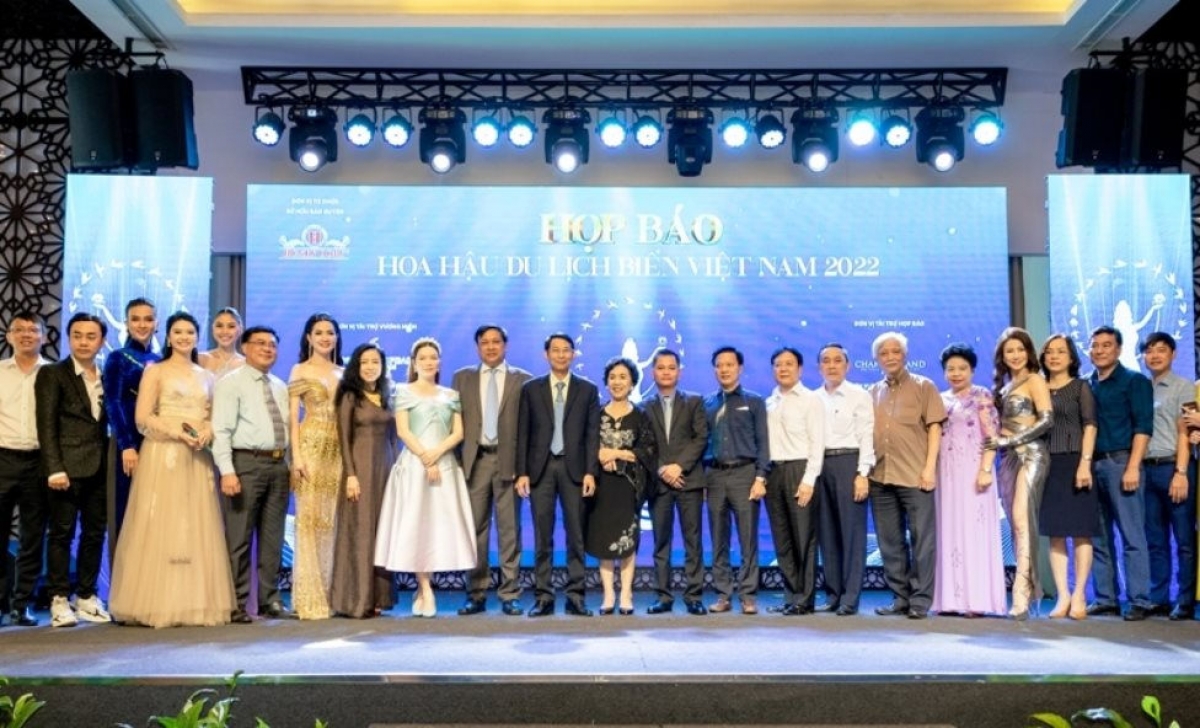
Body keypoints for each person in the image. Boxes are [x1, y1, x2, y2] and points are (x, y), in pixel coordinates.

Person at [108, 312, 235, 628]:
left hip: (197, 457)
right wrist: (178, 432)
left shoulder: (207, 376)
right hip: (163, 454)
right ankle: (156, 601)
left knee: (193, 525)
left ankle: (192, 600)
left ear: (197, 337)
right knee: (162, 522)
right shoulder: (155, 371)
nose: (184, 337)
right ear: (167, 337)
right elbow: (143, 418)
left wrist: (206, 431)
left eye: (190, 332)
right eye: (178, 332)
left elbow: (214, 416)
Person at [375, 337, 476, 618]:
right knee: (416, 526)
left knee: (436, 528)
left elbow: (458, 432)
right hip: (414, 466)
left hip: (445, 466)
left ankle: (424, 587)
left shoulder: (450, 395)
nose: (429, 362)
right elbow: (403, 431)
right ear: (414, 363)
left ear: (439, 362)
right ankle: (425, 587)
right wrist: (424, 456)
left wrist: (437, 454)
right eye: (423, 358)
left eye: (433, 357)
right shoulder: (403, 392)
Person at [212, 325, 296, 622]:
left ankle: (269, 600)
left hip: (278, 465)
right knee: (240, 537)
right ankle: (236, 603)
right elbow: (221, 430)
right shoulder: (230, 383)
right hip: (246, 463)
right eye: (260, 343)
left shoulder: (280, 386)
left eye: (272, 344)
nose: (267, 349)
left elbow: (287, 429)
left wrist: (290, 465)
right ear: (245, 347)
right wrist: (227, 471)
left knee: (274, 538)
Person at [35, 312, 112, 627]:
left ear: (102, 341)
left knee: (95, 533)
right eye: (77, 335)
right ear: (69, 339)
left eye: (91, 336)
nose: (83, 342)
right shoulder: (53, 373)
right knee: (61, 534)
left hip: (100, 467)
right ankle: (58, 598)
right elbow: (46, 424)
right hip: (65, 469)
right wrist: (54, 468)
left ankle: (86, 596)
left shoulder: (107, 374)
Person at [515, 333, 601, 617]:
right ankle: (543, 596)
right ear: (546, 354)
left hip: (574, 470)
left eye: (566, 350)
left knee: (576, 536)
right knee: (543, 536)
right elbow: (523, 433)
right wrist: (522, 472)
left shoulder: (587, 390)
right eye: (556, 350)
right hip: (540, 469)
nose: (561, 355)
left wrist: (590, 472)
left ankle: (576, 596)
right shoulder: (531, 389)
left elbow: (592, 435)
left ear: (573, 354)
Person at [451, 325, 531, 617]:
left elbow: (528, 430)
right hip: (476, 462)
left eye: (496, 342)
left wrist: (524, 468)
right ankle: (476, 593)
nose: (491, 347)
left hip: (509, 464)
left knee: (509, 530)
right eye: (484, 342)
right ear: (477, 347)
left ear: (505, 345)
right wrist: (458, 463)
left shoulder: (523, 379)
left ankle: (510, 593)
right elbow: (453, 422)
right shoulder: (462, 378)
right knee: (475, 530)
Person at [868, 331, 946, 620]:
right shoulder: (872, 392)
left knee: (922, 541)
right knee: (890, 543)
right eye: (883, 353)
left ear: (905, 355)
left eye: (895, 351)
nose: (890, 357)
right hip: (880, 478)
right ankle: (900, 598)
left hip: (915, 476)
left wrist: (929, 469)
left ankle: (920, 600)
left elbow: (935, 429)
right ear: (877, 359)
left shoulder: (924, 386)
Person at [1085, 325, 1155, 621]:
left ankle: (1139, 599)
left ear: (1119, 349)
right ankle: (1106, 598)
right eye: (1095, 345)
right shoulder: (1087, 384)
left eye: (1106, 345)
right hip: (1092, 466)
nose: (1100, 350)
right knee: (1099, 536)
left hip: (1122, 463)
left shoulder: (1134, 381)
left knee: (1132, 535)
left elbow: (1143, 427)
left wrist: (1133, 467)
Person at [931, 343, 1005, 617]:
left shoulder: (982, 396)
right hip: (946, 474)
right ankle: (950, 600)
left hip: (974, 472)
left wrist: (985, 469)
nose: (956, 373)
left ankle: (977, 600)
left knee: (974, 532)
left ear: (972, 370)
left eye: (962, 368)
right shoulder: (940, 399)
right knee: (948, 531)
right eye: (950, 369)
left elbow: (992, 437)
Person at [985, 326, 1052, 620]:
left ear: (1029, 352)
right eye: (1009, 350)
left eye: (1020, 349)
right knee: (1015, 524)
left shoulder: (1035, 379)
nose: (1015, 355)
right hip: (1007, 459)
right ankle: (1024, 589)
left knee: (1023, 521)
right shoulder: (1003, 387)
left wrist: (1010, 440)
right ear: (1002, 356)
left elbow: (1047, 420)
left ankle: (1022, 593)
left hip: (1031, 455)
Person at [330, 343, 397, 618]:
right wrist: (351, 475)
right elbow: (343, 438)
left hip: (385, 470)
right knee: (360, 531)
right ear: (356, 366)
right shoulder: (349, 396)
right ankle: (356, 600)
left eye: (375, 362)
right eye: (364, 362)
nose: (370, 367)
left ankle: (378, 597)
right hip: (360, 471)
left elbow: (393, 437)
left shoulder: (387, 394)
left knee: (382, 532)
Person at [586, 357, 656, 615]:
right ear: (606, 383)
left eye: (623, 377)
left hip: (628, 487)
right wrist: (599, 455)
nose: (617, 382)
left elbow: (648, 451)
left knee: (627, 541)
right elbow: (586, 447)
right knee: (603, 540)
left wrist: (616, 453)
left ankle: (626, 594)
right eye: (612, 377)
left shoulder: (641, 415)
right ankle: (608, 594)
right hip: (601, 487)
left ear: (632, 383)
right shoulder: (595, 415)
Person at [643, 348, 709, 616]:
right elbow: (644, 444)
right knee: (661, 542)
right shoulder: (644, 406)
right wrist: (662, 469)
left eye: (671, 368)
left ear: (679, 372)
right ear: (653, 372)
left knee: (693, 541)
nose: (666, 372)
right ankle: (663, 596)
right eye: (661, 368)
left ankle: (694, 596)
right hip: (659, 484)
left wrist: (679, 466)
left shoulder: (694, 401)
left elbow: (701, 438)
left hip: (688, 481)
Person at [704, 346, 770, 615]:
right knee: (718, 539)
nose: (724, 369)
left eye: (729, 364)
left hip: (745, 474)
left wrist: (761, 476)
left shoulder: (754, 401)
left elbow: (763, 443)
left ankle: (748, 595)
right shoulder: (707, 404)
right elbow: (701, 444)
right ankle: (723, 594)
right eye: (719, 365)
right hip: (714, 475)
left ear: (739, 368)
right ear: (714, 370)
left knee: (747, 538)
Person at [288, 312, 345, 620]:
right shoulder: (300, 369)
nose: (325, 337)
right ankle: (309, 598)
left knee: (332, 521)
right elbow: (292, 419)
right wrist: (296, 457)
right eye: (319, 332)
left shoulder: (343, 372)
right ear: (309, 337)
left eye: (330, 332)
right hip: (310, 446)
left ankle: (332, 594)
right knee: (309, 521)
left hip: (338, 450)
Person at [1039, 334, 1099, 621]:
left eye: (1060, 352)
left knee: (1081, 531)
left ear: (1072, 357)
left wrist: (1085, 464)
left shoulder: (1080, 387)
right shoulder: (1037, 387)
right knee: (1056, 533)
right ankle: (1063, 594)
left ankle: (1080, 594)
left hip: (1076, 462)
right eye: (1049, 352)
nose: (1054, 356)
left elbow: (1090, 426)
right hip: (1047, 465)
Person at [814, 343, 875, 616]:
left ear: (847, 366)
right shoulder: (813, 398)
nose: (832, 365)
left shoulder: (859, 395)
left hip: (849, 463)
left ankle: (850, 597)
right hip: (819, 466)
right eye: (826, 361)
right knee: (826, 534)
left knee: (852, 534)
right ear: (819, 367)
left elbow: (866, 435)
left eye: (837, 360)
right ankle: (833, 594)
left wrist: (863, 473)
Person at [763, 346, 824, 615]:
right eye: (778, 364)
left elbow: (818, 443)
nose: (783, 368)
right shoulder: (769, 402)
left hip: (800, 471)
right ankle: (791, 595)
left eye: (789, 364)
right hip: (773, 472)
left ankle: (805, 599)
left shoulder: (811, 400)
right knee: (783, 538)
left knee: (804, 538)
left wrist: (809, 480)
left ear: (800, 369)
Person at [1138, 332, 1194, 621]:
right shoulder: (1140, 388)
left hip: (1174, 467)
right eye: (1149, 351)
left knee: (1184, 540)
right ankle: (1158, 598)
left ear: (1173, 354)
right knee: (1155, 539)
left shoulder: (1184, 387)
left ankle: (1185, 600)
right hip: (1146, 470)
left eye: (1161, 350)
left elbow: (1187, 433)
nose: (1155, 355)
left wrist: (1181, 472)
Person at [0, 312, 50, 627]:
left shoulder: (53, 373)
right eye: (19, 329)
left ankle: (23, 604)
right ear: (9, 336)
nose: (26, 335)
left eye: (33, 330)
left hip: (38, 461)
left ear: (43, 336)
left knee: (33, 537)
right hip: (2, 458)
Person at [102, 297, 160, 554]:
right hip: (127, 443)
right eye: (135, 319)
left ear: (157, 323)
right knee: (123, 509)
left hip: (155, 444)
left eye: (148, 319)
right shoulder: (118, 357)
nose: (142, 324)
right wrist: (126, 445)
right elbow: (112, 402)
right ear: (126, 323)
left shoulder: (159, 359)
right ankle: (121, 572)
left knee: (151, 510)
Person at [199, 307, 246, 378]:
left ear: (240, 329)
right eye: (219, 326)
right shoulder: (201, 359)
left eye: (231, 326)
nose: (225, 331)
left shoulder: (246, 364)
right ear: (213, 329)